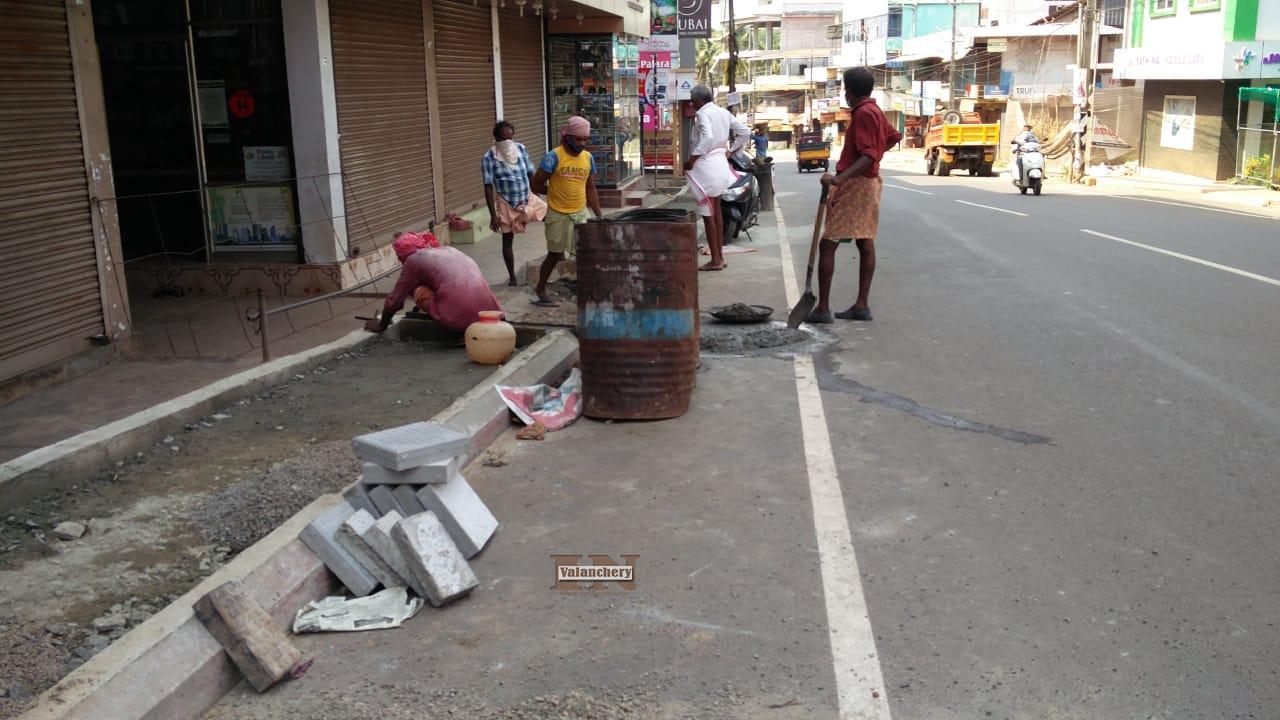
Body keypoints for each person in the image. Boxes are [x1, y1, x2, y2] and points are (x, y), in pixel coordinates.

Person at [808, 67, 902, 324]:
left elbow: (869, 154)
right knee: (864, 241)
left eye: (844, 88)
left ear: (848, 90)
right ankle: (861, 305)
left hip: (856, 184)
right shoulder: (874, 111)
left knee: (829, 243)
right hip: (868, 183)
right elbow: (894, 137)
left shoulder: (863, 114)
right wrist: (874, 157)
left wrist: (839, 178)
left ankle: (823, 308)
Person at [364, 232, 502, 334]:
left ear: (403, 256)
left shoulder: (413, 261)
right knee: (440, 282)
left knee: (417, 289)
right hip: (489, 311)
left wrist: (381, 325)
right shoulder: (448, 250)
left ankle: (452, 326)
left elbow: (396, 299)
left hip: (460, 319)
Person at [530, 115, 603, 307]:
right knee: (554, 255)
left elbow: (590, 188)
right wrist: (552, 192)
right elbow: (536, 184)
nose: (582, 143)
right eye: (578, 139)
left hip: (580, 213)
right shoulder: (553, 157)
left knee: (587, 253)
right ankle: (540, 289)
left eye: (585, 139)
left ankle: (589, 290)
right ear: (567, 137)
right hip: (557, 213)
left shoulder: (588, 158)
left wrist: (599, 214)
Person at [683, 84, 749, 271]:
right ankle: (719, 257)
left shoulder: (703, 114)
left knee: (707, 215)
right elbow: (745, 132)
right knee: (717, 211)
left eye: (692, 100)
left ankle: (716, 260)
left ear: (698, 100)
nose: (691, 103)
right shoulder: (723, 112)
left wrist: (691, 160)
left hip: (706, 166)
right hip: (720, 164)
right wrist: (730, 151)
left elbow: (707, 138)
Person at [483, 120, 546, 286]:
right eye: (504, 139)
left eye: (510, 138)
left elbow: (531, 173)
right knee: (507, 240)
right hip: (506, 203)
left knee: (553, 217)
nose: (508, 142)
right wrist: (493, 215)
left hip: (527, 197)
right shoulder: (489, 158)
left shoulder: (521, 149)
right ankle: (512, 277)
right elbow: (488, 187)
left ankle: (558, 255)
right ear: (496, 139)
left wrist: (537, 195)